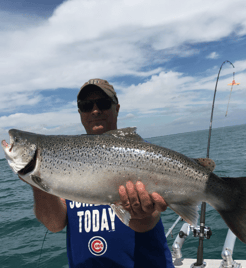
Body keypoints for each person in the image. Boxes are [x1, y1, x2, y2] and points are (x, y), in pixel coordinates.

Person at [30, 78, 174, 268]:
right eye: (86, 105)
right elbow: (54, 224)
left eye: (103, 103)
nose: (95, 110)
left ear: (117, 108)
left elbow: (145, 223)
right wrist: (37, 178)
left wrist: (141, 214)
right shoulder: (65, 159)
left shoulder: (144, 155)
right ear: (80, 112)